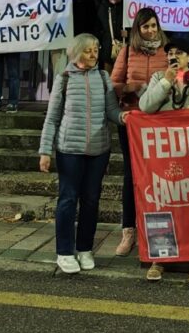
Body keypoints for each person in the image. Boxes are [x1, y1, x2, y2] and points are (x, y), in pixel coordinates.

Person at [38, 33, 125, 275]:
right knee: (67, 200)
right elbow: (52, 117)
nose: (94, 54)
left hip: (98, 150)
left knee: (91, 200)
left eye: (96, 49)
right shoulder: (64, 79)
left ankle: (85, 248)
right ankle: (64, 252)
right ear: (76, 53)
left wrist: (124, 117)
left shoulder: (103, 76)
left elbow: (111, 111)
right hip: (69, 150)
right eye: (88, 50)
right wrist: (45, 150)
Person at [139, 37, 189, 284]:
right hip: (164, 155)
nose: (173, 56)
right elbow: (145, 106)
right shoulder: (158, 79)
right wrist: (166, 82)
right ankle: (160, 258)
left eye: (179, 52)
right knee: (162, 204)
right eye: (170, 52)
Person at [109, 7, 169, 257]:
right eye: (146, 26)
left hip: (159, 123)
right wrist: (127, 87)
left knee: (160, 176)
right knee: (131, 176)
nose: (150, 30)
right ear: (138, 29)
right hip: (132, 121)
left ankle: (157, 230)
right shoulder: (126, 51)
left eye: (154, 25)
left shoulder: (167, 51)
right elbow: (113, 83)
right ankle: (129, 231)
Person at [97, 0, 125, 71]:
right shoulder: (103, 8)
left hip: (124, 50)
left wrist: (128, 33)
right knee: (108, 78)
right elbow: (99, 27)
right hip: (107, 50)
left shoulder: (127, 8)